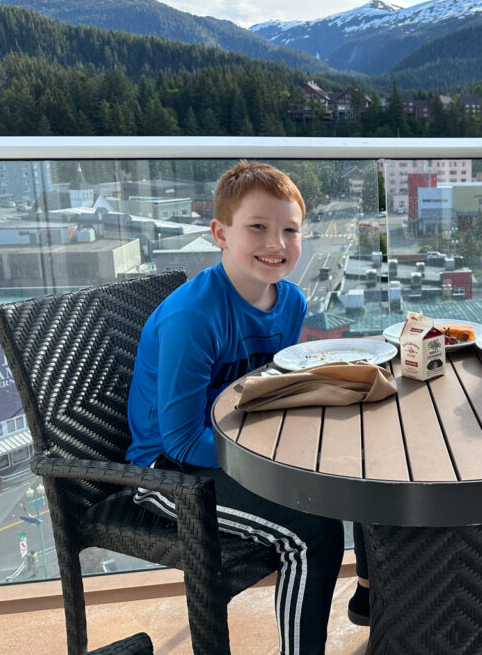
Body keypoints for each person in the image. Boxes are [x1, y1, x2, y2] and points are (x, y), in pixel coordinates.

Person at [126, 161, 344, 655]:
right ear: (220, 233)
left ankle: (376, 603)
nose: (277, 243)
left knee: (357, 479)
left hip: (234, 447)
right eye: (257, 227)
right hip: (166, 472)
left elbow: (264, 390)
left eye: (290, 230)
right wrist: (274, 461)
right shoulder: (193, 317)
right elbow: (180, 440)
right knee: (312, 533)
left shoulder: (289, 302)